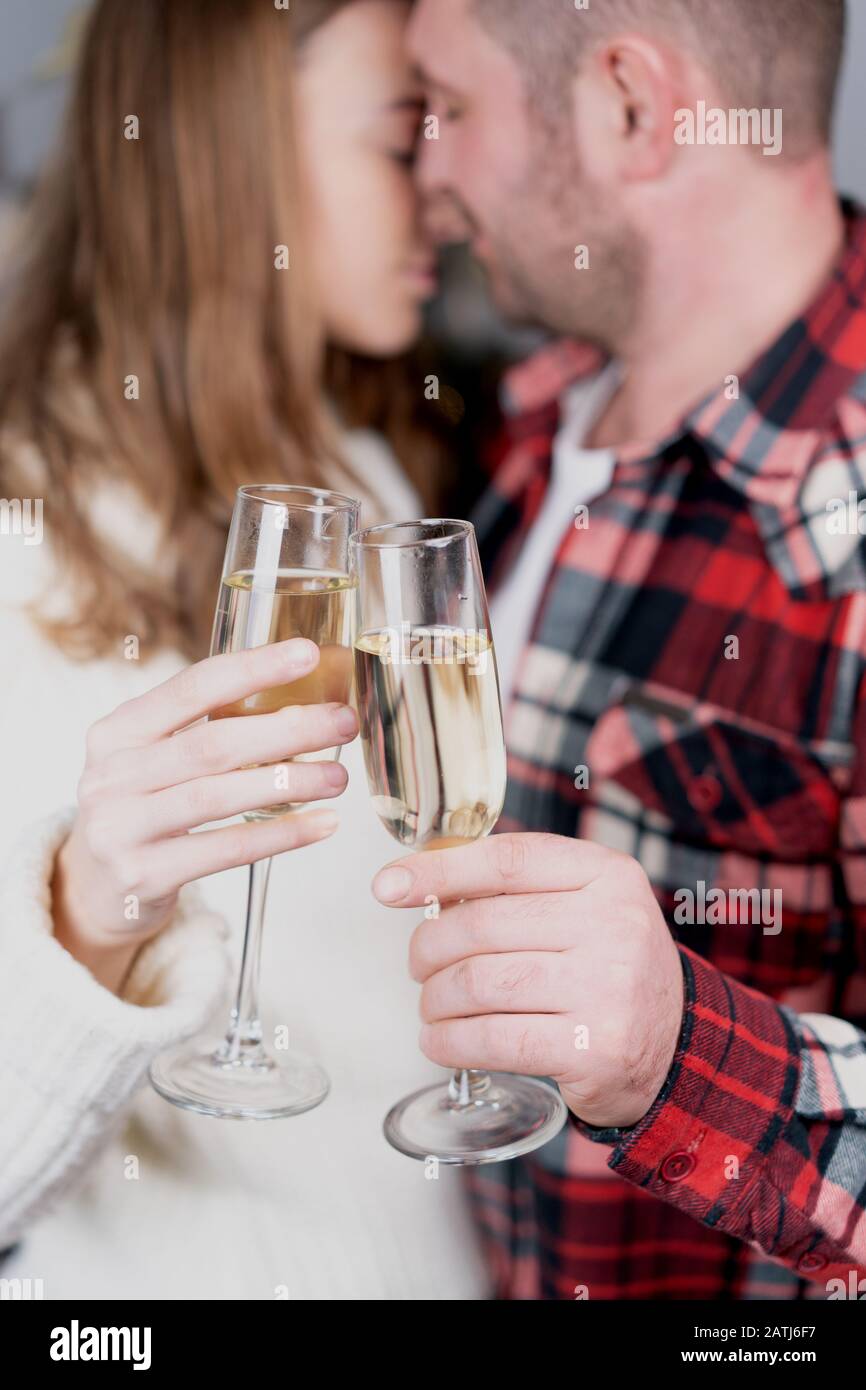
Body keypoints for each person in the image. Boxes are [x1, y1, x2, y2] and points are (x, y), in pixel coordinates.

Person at [371, 0, 866, 1299]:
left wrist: (666, 1056)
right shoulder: (529, 422)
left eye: (451, 110)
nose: (425, 169)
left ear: (631, 109)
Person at [0, 0, 489, 1300]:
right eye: (401, 137)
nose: (446, 186)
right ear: (238, 148)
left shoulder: (360, 462)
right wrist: (83, 918)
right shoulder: (21, 526)